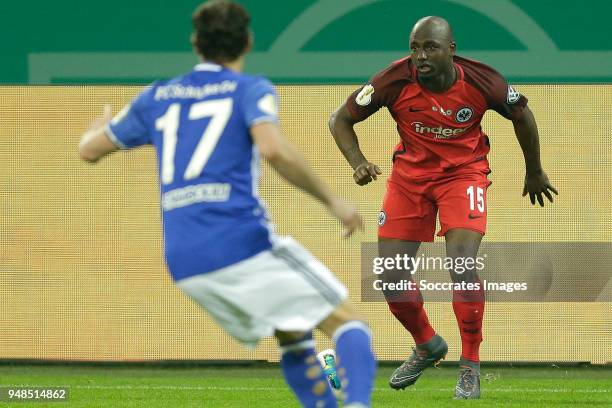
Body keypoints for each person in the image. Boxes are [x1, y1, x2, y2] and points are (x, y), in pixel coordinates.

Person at [78, 2, 376, 407]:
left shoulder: (157, 96)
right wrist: (333, 201)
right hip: (239, 241)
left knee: (293, 335)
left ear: (195, 43)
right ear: (248, 41)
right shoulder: (249, 89)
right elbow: (273, 149)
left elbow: (90, 150)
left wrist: (96, 130)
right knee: (349, 324)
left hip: (185, 260)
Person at [329, 16, 557, 400]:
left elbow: (523, 115)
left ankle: (470, 365)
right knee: (390, 277)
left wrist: (534, 170)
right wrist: (358, 162)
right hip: (409, 180)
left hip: (463, 175)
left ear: (451, 49)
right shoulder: (392, 80)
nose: (420, 56)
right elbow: (340, 120)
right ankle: (427, 344)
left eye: (430, 47)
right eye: (415, 47)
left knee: (462, 262)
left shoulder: (485, 81)